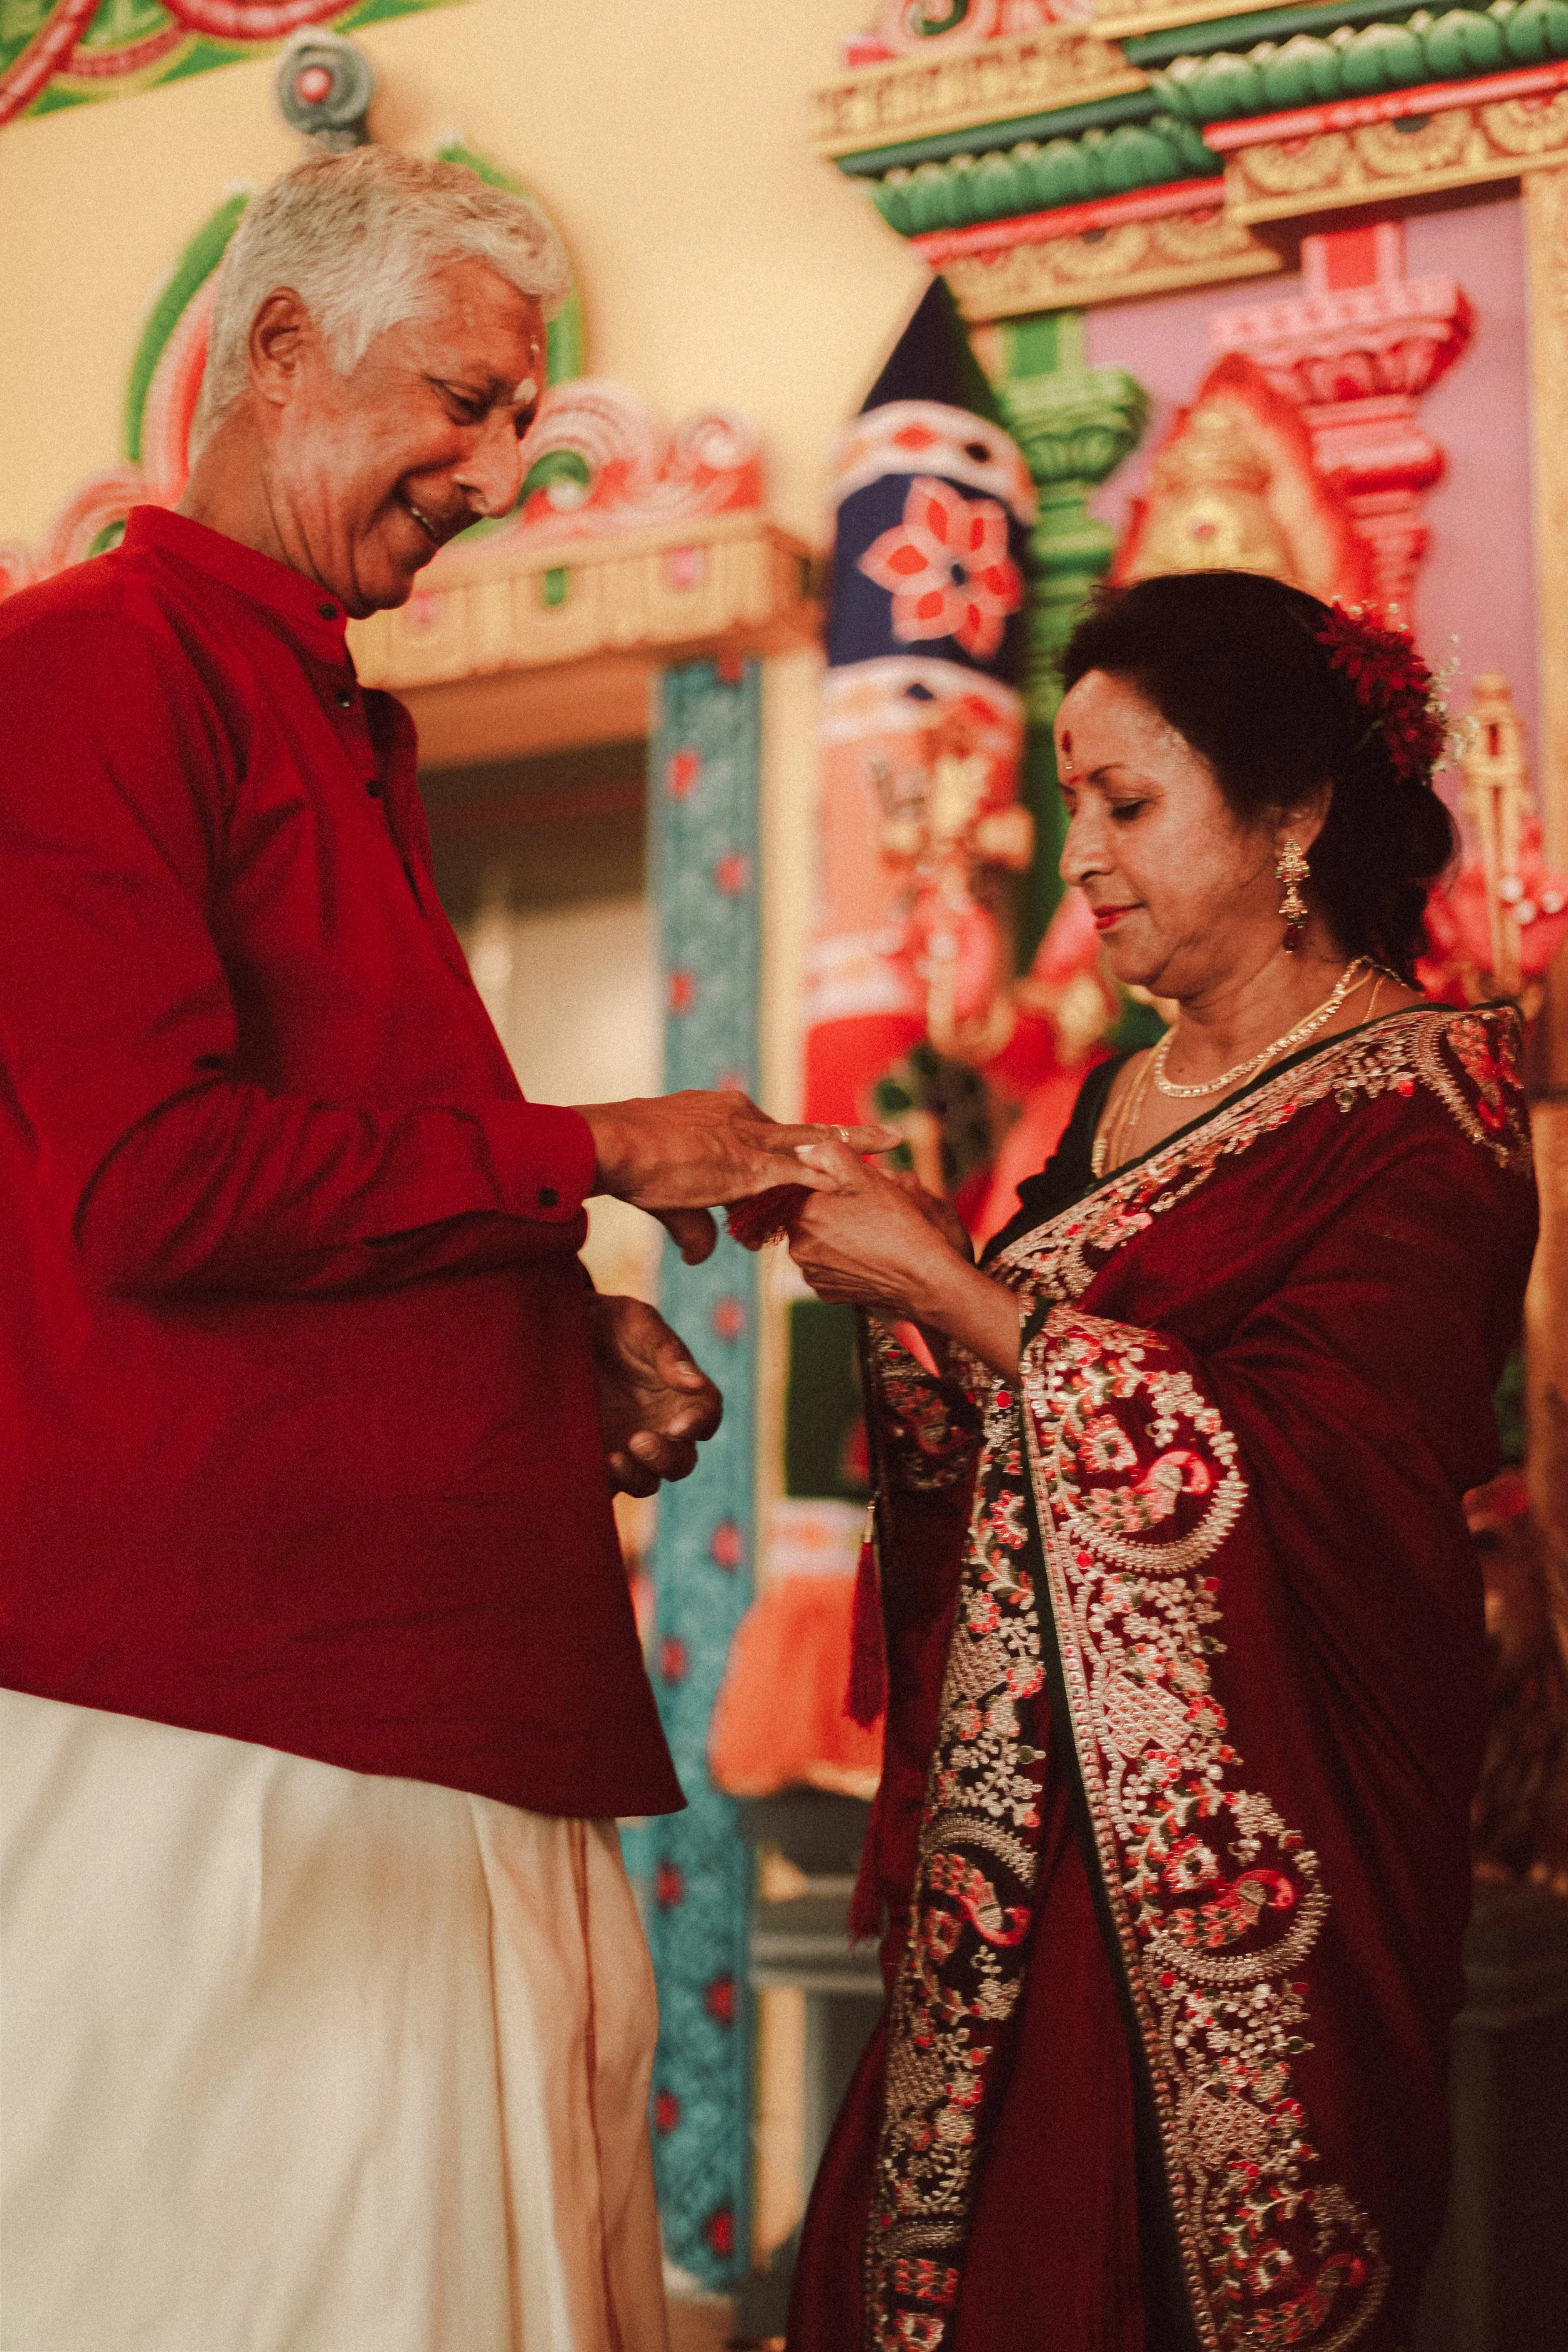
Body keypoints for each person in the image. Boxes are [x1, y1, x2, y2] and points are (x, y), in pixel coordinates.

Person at [0, 148, 889, 2352]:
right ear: (284, 346)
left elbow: (324, 1169)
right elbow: (151, 1183)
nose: (498, 471)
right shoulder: (89, 666)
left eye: (523, 422)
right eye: (465, 402)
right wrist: (599, 1145)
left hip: (417, 1689)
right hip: (232, 1717)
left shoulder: (323, 707)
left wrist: (541, 1328)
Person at [774, 571, 1539, 2352]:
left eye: (1127, 803)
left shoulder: (1422, 1108)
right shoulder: (1119, 1098)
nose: (1083, 859)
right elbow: (1021, 1438)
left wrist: (954, 1294)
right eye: (1075, 807)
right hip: (1018, 1863)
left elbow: (1316, 1479)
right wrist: (907, 1278)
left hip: (1247, 1854)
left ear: (1292, 814)